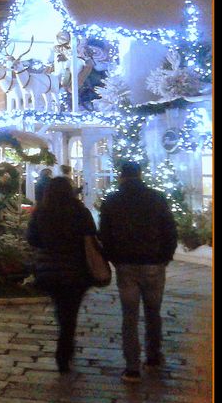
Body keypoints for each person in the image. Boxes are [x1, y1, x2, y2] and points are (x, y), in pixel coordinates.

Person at [99, 161, 178, 383]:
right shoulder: (156, 198)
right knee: (154, 312)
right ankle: (153, 355)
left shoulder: (112, 200)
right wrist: (165, 256)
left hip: (126, 264)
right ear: (140, 174)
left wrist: (114, 257)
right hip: (153, 262)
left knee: (130, 315)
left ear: (121, 176)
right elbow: (170, 229)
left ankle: (132, 367)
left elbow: (104, 234)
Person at [26, 176, 98, 373]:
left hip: (50, 270)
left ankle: (64, 348)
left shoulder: (42, 212)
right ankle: (65, 349)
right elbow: (91, 235)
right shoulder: (80, 212)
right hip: (76, 270)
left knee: (61, 309)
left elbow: (32, 239)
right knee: (70, 312)